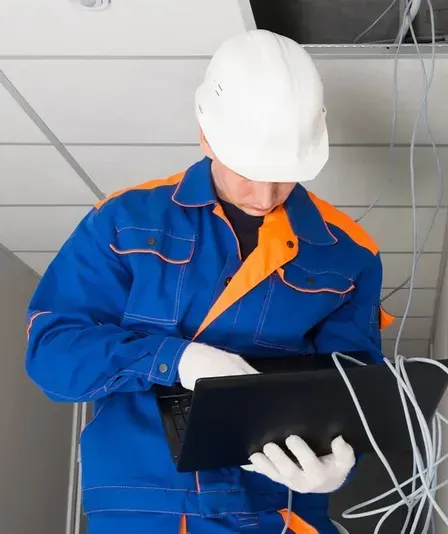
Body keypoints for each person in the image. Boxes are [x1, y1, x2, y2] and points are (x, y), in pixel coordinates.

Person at [25, 29, 394, 534]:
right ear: (206, 134)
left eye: (285, 174)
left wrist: (341, 461)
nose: (265, 194)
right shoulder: (125, 221)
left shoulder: (350, 253)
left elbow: (351, 382)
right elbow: (53, 354)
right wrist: (175, 359)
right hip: (144, 504)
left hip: (278, 507)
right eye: (248, 170)